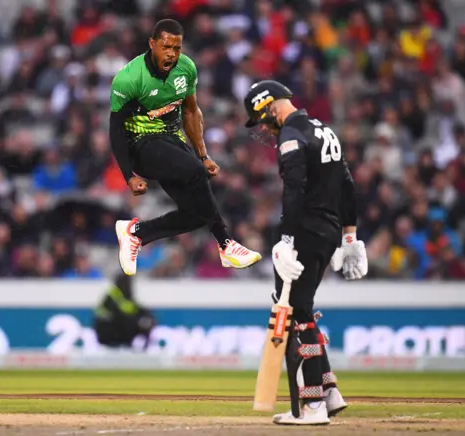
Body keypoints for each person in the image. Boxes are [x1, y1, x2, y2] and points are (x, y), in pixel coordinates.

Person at [243, 80, 368, 425]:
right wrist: (349, 235)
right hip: (326, 231)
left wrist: (286, 240)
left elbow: (294, 191)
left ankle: (310, 405)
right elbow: (346, 184)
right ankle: (328, 391)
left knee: (296, 313)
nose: (266, 128)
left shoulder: (292, 134)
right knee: (304, 309)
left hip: (306, 231)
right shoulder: (324, 130)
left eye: (263, 118)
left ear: (270, 105)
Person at [109, 18, 261, 276]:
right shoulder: (130, 78)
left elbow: (191, 112)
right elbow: (115, 130)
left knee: (196, 214)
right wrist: (128, 176)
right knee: (195, 172)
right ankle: (226, 244)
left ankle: (136, 233)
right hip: (140, 145)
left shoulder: (186, 68)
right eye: (166, 47)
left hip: (171, 141)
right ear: (152, 44)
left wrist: (203, 154)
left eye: (177, 48)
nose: (171, 54)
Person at [93, 273, 156, 349]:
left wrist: (148, 317)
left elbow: (137, 309)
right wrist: (137, 321)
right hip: (109, 331)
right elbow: (118, 315)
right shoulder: (111, 297)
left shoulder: (127, 296)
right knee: (130, 323)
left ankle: (145, 347)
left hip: (122, 329)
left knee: (145, 322)